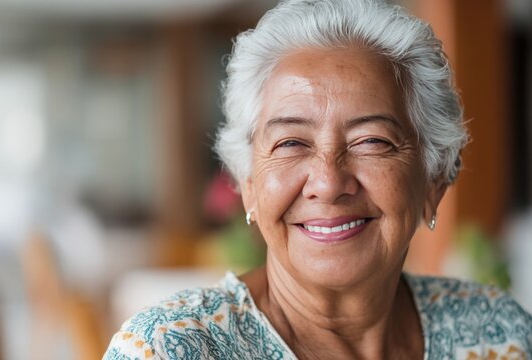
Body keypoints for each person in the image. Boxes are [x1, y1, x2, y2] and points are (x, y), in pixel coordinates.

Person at [104, 0, 532, 358]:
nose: (328, 183)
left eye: (372, 141)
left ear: (434, 179)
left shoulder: (499, 334)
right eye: (291, 143)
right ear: (248, 182)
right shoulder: (166, 348)